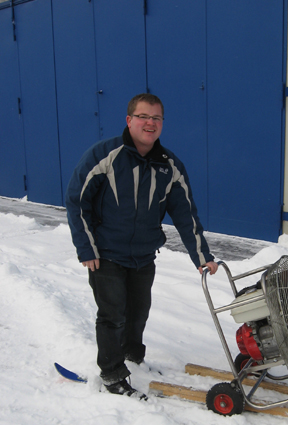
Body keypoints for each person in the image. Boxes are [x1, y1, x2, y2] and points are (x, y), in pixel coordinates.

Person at [66, 93, 218, 398]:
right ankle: (112, 373)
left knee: (138, 314)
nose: (150, 123)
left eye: (156, 118)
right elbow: (77, 201)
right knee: (112, 316)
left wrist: (202, 256)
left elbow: (185, 214)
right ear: (129, 120)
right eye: (143, 117)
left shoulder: (170, 165)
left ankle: (133, 358)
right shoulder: (105, 155)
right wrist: (86, 248)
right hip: (106, 254)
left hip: (144, 256)